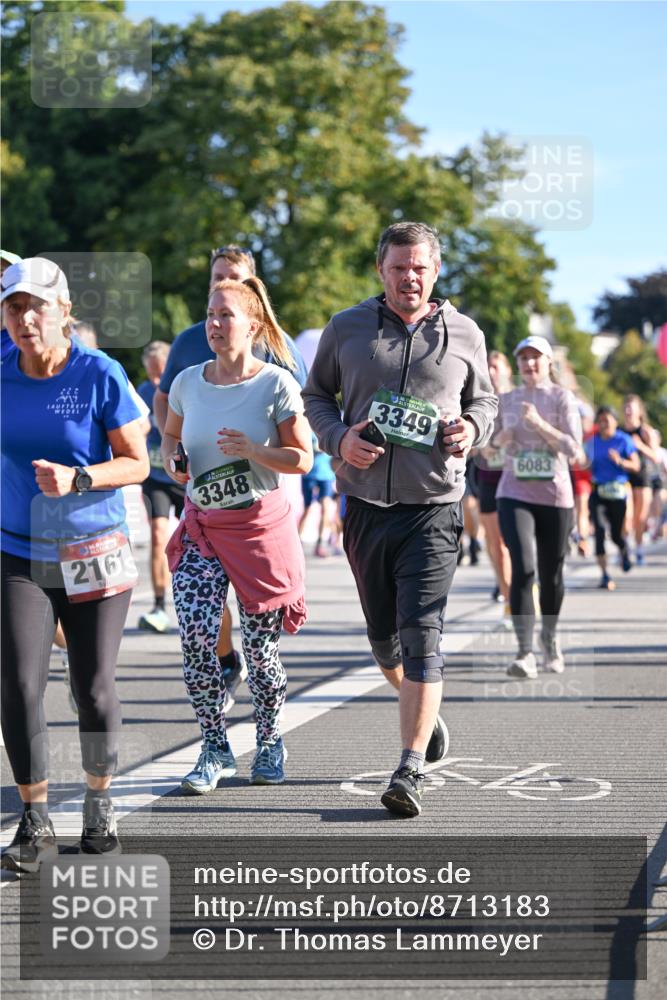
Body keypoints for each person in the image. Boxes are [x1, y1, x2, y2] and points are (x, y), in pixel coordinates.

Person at [303, 221, 497, 818]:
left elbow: (485, 401)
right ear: (380, 271)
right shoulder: (347, 328)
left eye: (419, 267)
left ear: (435, 271)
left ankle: (408, 767)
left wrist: (472, 429)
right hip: (364, 507)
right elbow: (316, 397)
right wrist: (339, 440)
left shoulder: (465, 333)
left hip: (434, 508)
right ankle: (427, 714)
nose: (409, 277)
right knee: (383, 637)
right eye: (397, 268)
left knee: (423, 634)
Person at [0, 258, 149, 871]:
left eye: (38, 306)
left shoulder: (98, 373)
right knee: (17, 683)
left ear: (64, 310)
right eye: (13, 307)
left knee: (92, 688)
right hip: (17, 549)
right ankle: (35, 819)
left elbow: (137, 463)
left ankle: (99, 799)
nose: (26, 318)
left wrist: (80, 478)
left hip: (93, 551)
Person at [162, 277, 312, 792]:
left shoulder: (275, 384)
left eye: (226, 315)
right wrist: (175, 461)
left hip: (258, 531)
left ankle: (270, 740)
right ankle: (214, 746)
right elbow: (170, 437)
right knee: (197, 637)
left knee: (260, 652)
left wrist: (254, 450)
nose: (214, 324)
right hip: (203, 528)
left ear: (252, 325)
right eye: (210, 314)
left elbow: (303, 458)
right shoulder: (186, 382)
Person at [495, 335, 583, 679]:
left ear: (549, 363)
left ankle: (549, 637)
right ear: (517, 364)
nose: (529, 364)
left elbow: (574, 449)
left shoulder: (563, 398)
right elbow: (486, 451)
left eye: (536, 358)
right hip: (513, 492)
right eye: (524, 358)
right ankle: (524, 652)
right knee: (524, 567)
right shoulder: (507, 399)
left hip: (556, 496)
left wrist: (538, 425)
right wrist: (498, 440)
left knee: (551, 574)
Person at [136, 341, 185, 632]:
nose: (156, 382)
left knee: (195, 540)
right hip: (155, 477)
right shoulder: (141, 393)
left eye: (161, 375)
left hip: (182, 476)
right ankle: (158, 605)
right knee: (157, 535)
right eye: (151, 375)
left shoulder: (182, 389)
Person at [474, 350, 513, 618]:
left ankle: (513, 592)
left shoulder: (518, 400)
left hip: (515, 479)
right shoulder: (478, 399)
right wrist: (480, 447)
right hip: (487, 477)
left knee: (509, 542)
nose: (492, 370)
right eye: (488, 366)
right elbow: (470, 438)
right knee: (493, 541)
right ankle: (505, 587)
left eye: (497, 366)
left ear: (508, 370)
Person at [587, 406, 639, 590]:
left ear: (615, 422)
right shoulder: (591, 442)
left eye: (607, 421)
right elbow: (585, 464)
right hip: (598, 491)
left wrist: (621, 461)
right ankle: (605, 575)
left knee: (617, 534)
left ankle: (624, 551)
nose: (603, 425)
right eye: (600, 421)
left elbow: (636, 465)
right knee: (599, 531)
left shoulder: (623, 440)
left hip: (618, 492)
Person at [622, 394, 660, 565]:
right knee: (626, 514)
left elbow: (656, 457)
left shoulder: (645, 431)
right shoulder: (620, 431)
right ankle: (625, 547)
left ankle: (638, 549)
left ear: (639, 410)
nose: (628, 410)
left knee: (640, 517)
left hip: (643, 477)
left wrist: (640, 446)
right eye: (626, 407)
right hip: (625, 476)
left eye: (631, 407)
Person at [298, 435, 338, 557]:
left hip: (327, 475)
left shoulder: (331, 426)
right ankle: (297, 543)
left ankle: (320, 544)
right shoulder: (307, 428)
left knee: (326, 509)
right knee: (307, 509)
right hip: (309, 474)